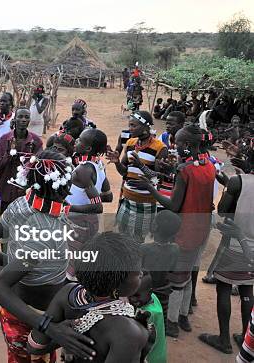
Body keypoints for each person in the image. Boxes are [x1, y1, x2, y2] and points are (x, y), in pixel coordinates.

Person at [0, 150, 78, 363]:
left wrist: (16, 265)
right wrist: (47, 325)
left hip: (22, 312)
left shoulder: (22, 205)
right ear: (63, 187)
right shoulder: (42, 232)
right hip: (31, 320)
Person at [130, 125, 216, 339]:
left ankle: (173, 322)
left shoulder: (185, 170)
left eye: (177, 143)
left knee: (177, 281)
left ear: (187, 145)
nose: (174, 146)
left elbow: (174, 205)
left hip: (184, 230)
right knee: (188, 274)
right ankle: (184, 315)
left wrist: (151, 189)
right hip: (201, 228)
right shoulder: (208, 164)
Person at [27, 232, 149, 363]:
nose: (141, 273)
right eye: (137, 273)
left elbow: (34, 347)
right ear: (116, 285)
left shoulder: (69, 293)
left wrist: (61, 337)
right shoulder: (129, 333)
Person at [199, 169, 254, 354]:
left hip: (235, 242)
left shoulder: (238, 181)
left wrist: (228, 187)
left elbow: (222, 210)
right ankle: (246, 338)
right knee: (247, 288)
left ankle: (224, 340)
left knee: (224, 287)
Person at [106, 111, 167, 243]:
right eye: (130, 125)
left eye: (133, 125)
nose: (130, 128)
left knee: (136, 241)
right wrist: (117, 162)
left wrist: (141, 166)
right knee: (122, 237)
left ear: (146, 127)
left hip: (144, 203)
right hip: (127, 199)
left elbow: (159, 179)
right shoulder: (130, 143)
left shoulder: (160, 148)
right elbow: (124, 172)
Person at [66, 129, 112, 279]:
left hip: (77, 222)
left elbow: (98, 206)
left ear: (88, 148)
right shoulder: (99, 165)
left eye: (79, 140)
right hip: (88, 222)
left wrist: (68, 207)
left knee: (71, 266)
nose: (76, 142)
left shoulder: (83, 169)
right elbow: (108, 196)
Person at [0, 108, 43, 214]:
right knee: (5, 222)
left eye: (26, 117)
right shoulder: (4, 139)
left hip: (26, 193)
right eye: (20, 117)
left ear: (29, 120)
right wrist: (8, 155)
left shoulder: (36, 141)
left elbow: (39, 167)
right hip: (6, 190)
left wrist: (30, 164)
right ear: (14, 119)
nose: (23, 120)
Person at [141, 210, 181, 327]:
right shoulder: (175, 249)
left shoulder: (144, 248)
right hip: (164, 293)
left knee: (143, 320)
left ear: (155, 227)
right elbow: (172, 269)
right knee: (159, 322)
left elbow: (138, 271)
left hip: (145, 292)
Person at [129, 274, 167, 363]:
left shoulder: (147, 314)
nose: (132, 299)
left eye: (137, 296)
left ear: (150, 292)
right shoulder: (153, 297)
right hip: (159, 353)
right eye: (130, 295)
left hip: (150, 358)